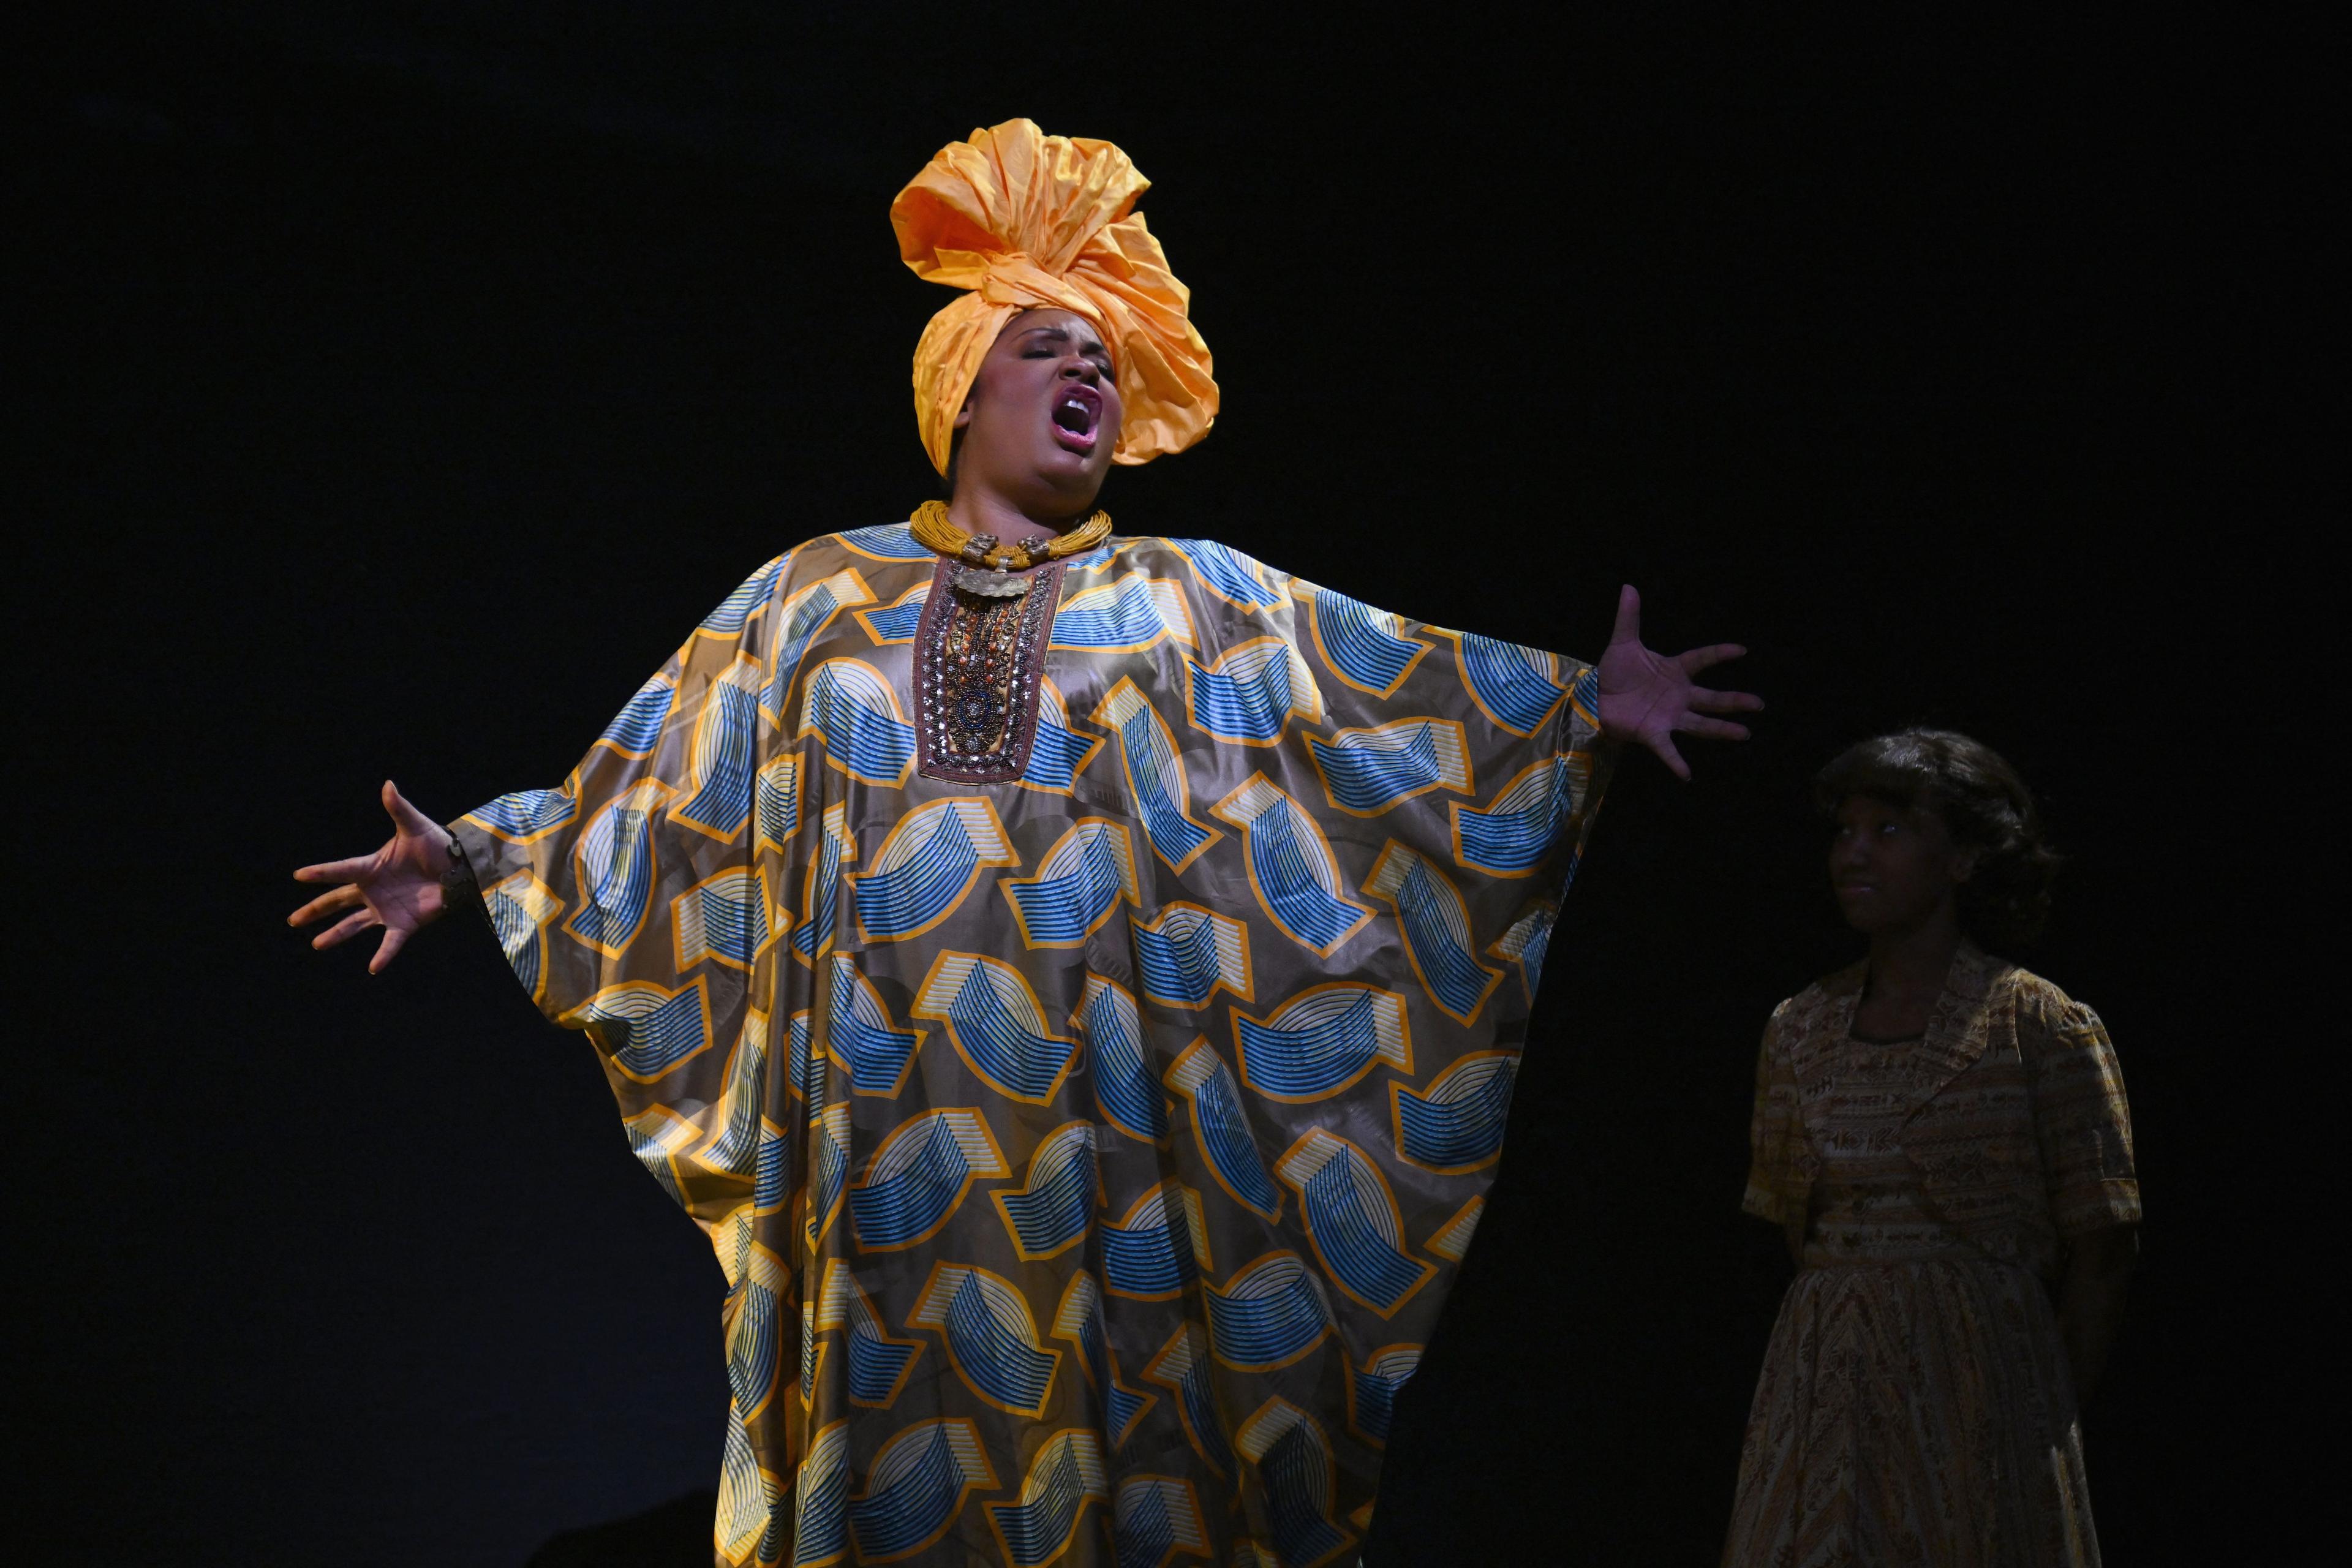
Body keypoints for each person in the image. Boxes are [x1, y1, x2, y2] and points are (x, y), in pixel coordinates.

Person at [291, 119, 1761, 1568]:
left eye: (1105, 359)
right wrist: (479, 859)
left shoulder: (1191, 599)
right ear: (962, 385)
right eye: (1047, 345)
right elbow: (658, 798)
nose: (1088, 373)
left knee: (1113, 1449)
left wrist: (1572, 713)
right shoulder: (811, 603)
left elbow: (1385, 713)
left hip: (1107, 1150)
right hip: (878, 1155)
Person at [1724, 729, 2139, 1568]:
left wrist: (2033, 1405)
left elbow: (2105, 1245)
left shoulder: (2039, 1024)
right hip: (1823, 1379)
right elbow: (1794, 1225)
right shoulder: (1798, 1028)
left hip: (1982, 1379)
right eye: (1845, 831)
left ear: (1962, 858)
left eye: (1888, 830)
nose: (1853, 853)